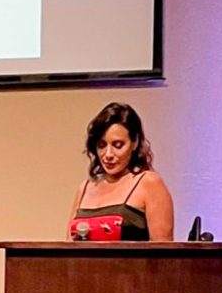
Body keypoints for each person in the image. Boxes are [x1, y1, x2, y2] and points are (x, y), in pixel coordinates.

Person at [67, 102, 174, 241]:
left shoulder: (148, 183)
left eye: (118, 145)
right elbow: (68, 249)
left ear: (134, 142)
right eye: (102, 145)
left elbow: (164, 255)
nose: (108, 154)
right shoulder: (85, 188)